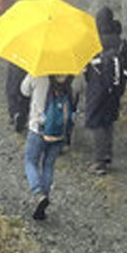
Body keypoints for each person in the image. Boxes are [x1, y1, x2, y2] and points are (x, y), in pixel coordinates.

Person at [82, 7, 127, 175]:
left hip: (97, 89)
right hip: (116, 90)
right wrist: (119, 83)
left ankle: (99, 162)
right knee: (108, 120)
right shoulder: (122, 43)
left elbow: (85, 68)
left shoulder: (93, 41)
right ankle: (107, 155)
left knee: (95, 122)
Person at [20, 73, 77, 220]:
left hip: (38, 128)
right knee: (48, 165)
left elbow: (24, 90)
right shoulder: (69, 76)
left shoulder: (38, 74)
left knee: (30, 161)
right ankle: (43, 200)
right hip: (58, 131)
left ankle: (38, 193)